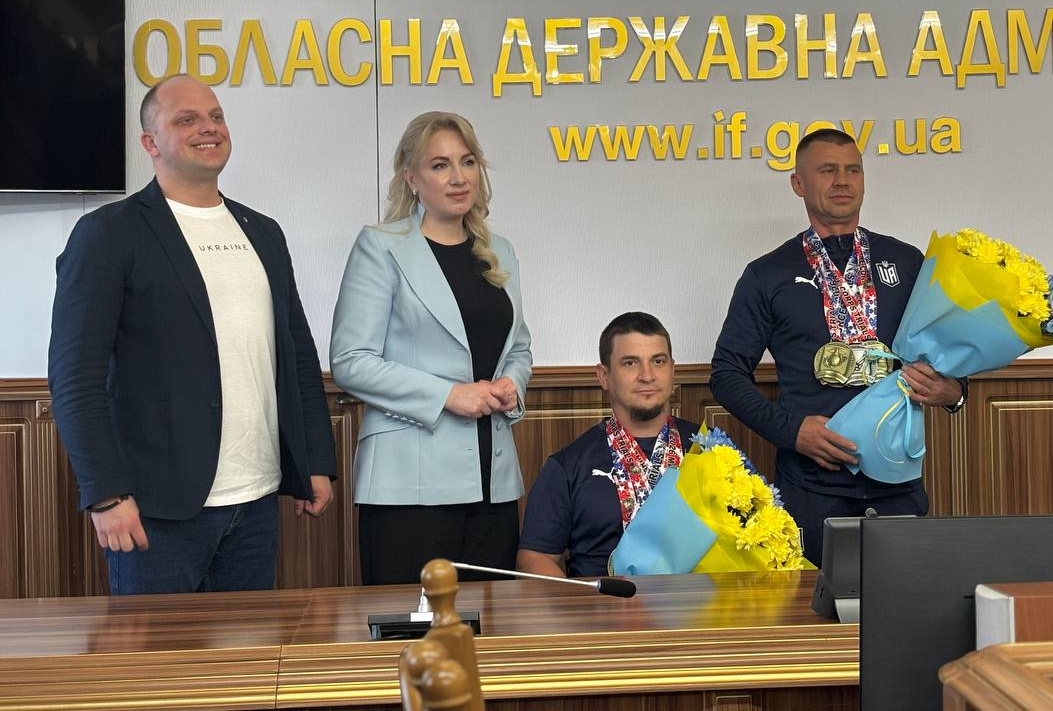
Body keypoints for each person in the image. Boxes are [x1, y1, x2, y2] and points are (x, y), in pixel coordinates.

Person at [48, 75, 337, 595]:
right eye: (187, 119)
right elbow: (75, 377)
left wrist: (315, 461)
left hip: (257, 502)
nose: (209, 128)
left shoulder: (263, 231)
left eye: (216, 116)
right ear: (150, 143)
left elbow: (296, 353)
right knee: (158, 651)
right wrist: (106, 494)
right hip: (154, 511)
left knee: (248, 650)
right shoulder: (109, 233)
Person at [710, 128, 964, 565]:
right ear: (798, 183)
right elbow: (726, 374)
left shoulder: (907, 262)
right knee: (813, 606)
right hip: (812, 488)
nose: (843, 181)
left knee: (901, 602)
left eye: (853, 170)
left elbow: (949, 350)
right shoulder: (767, 274)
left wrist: (954, 391)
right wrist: (792, 431)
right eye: (827, 170)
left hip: (898, 484)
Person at [330, 111, 532, 584]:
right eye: (440, 165)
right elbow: (350, 361)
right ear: (411, 177)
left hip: (494, 485)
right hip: (408, 490)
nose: (459, 177)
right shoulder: (380, 247)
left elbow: (519, 347)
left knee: (491, 624)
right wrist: (448, 395)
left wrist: (512, 385)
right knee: (411, 626)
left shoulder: (499, 250)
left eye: (468, 162)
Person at [518, 312, 700, 578]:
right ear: (604, 376)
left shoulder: (710, 449)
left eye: (658, 361)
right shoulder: (568, 466)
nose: (647, 375)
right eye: (630, 363)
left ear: (672, 370)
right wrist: (582, 599)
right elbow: (534, 558)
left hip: (698, 601)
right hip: (603, 601)